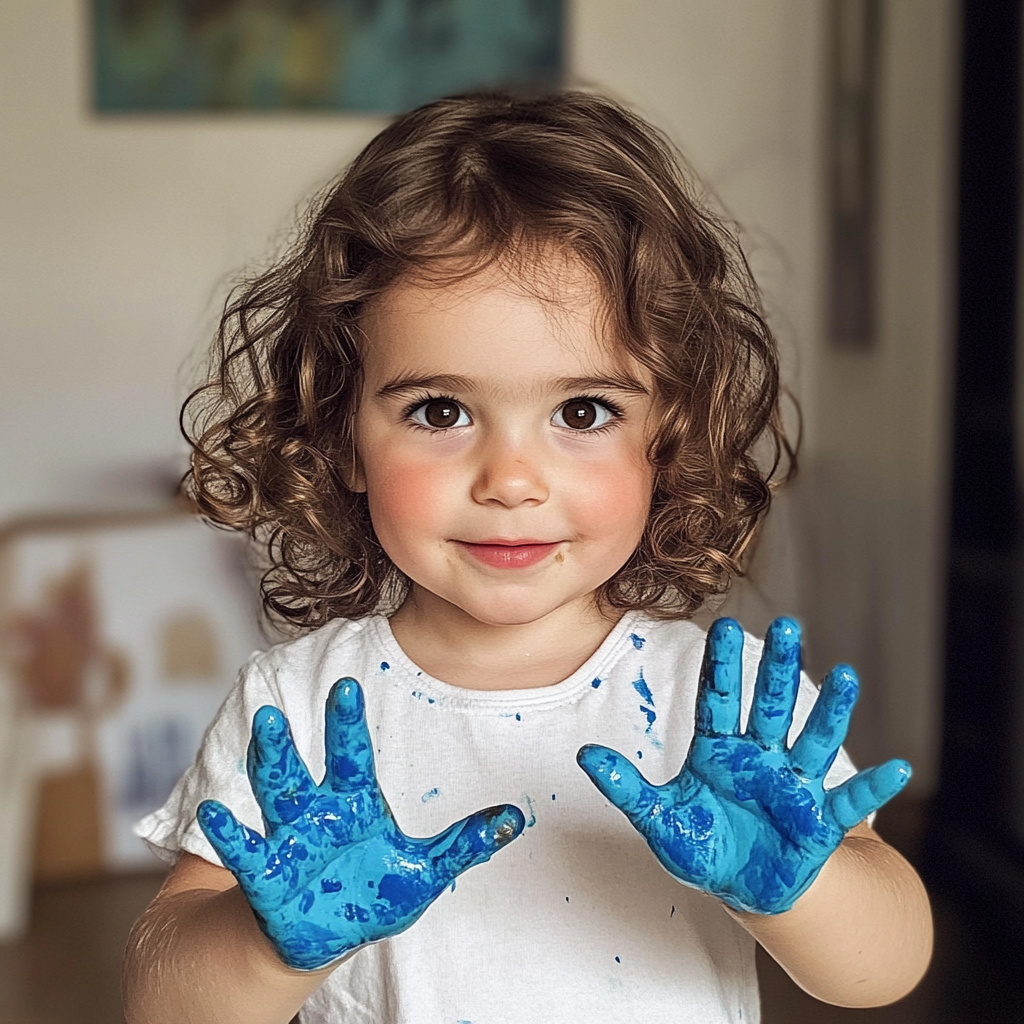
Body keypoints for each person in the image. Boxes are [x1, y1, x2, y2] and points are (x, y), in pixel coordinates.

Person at [122, 91, 932, 1024]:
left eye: (582, 412)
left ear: (663, 438)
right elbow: (161, 998)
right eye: (440, 411)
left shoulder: (723, 710)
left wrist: (797, 888)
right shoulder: (298, 714)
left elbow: (886, 969)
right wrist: (270, 944)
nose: (510, 479)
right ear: (343, 434)